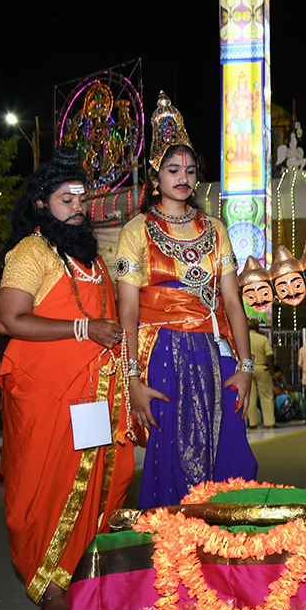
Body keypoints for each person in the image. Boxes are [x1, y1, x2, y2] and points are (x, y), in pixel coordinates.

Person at [0, 151, 135, 610]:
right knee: (46, 483)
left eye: (82, 197)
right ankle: (45, 578)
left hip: (92, 394)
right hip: (45, 394)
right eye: (65, 198)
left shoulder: (90, 257)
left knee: (96, 478)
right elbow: (9, 319)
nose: (78, 206)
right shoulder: (30, 252)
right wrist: (82, 330)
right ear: (40, 204)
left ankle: (78, 569)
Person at [115, 93, 257, 507]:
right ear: (154, 176)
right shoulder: (136, 230)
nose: (183, 177)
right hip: (162, 356)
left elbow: (233, 302)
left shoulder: (215, 229)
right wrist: (132, 380)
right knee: (172, 462)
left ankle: (226, 562)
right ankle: (174, 561)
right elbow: (127, 312)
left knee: (232, 458)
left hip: (216, 353)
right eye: (173, 169)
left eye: (190, 170)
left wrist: (246, 368)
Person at [246, 318, 276, 428]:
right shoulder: (263, 339)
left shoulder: (244, 338)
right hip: (262, 368)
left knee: (250, 396)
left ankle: (252, 423)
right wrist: (272, 369)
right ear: (257, 327)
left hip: (248, 368)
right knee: (266, 396)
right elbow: (269, 354)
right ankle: (270, 422)